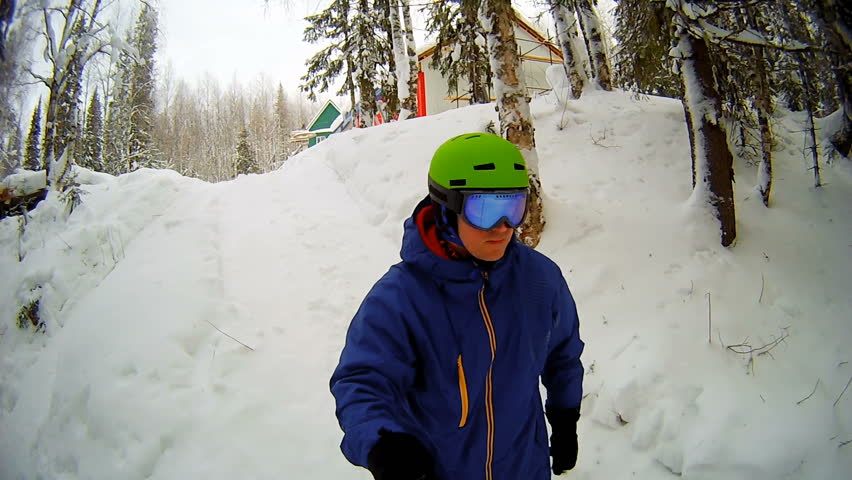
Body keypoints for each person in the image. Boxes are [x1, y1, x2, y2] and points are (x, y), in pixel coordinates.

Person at [330, 132, 584, 479]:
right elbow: (363, 382)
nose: (504, 227)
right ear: (447, 209)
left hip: (525, 467)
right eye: (485, 210)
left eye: (513, 207)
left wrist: (565, 417)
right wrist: (383, 443)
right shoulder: (401, 298)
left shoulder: (540, 279)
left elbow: (563, 355)